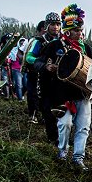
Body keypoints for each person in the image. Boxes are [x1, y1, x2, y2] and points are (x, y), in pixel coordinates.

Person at [35, 4, 92, 169]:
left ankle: (78, 158)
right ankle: (62, 154)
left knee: (83, 127)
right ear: (68, 31)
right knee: (65, 124)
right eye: (76, 30)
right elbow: (38, 62)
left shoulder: (87, 50)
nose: (80, 33)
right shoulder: (54, 46)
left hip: (82, 95)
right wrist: (46, 67)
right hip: (62, 95)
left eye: (81, 30)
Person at [31, 13, 62, 142]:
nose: (56, 27)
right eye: (53, 24)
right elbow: (29, 57)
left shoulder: (64, 41)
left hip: (60, 81)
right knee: (47, 108)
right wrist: (45, 65)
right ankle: (52, 138)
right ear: (47, 26)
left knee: (61, 109)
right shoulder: (39, 41)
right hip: (44, 79)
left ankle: (62, 137)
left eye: (58, 24)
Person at [23, 20, 46, 123]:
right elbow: (26, 56)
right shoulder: (34, 41)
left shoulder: (54, 41)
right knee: (33, 93)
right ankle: (33, 115)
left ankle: (44, 116)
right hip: (33, 72)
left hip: (45, 73)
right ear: (42, 28)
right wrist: (37, 62)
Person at [8, 36, 27, 100]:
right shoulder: (14, 50)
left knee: (26, 84)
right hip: (16, 69)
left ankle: (21, 95)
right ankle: (20, 99)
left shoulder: (26, 50)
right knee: (19, 85)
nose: (22, 44)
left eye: (23, 43)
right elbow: (10, 59)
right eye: (21, 43)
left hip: (24, 69)